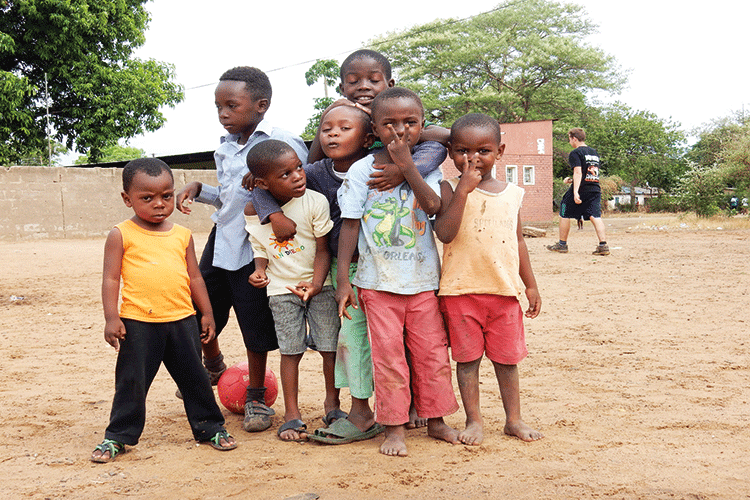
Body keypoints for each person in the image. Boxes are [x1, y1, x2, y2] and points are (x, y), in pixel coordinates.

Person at [175, 67, 308, 433]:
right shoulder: (225, 147)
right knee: (201, 309)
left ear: (261, 106)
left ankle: (255, 395)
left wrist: (264, 192)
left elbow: (298, 187)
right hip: (223, 238)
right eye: (218, 106)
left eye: (231, 105)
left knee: (254, 324)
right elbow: (231, 198)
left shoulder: (284, 142)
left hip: (258, 244)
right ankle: (214, 363)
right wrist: (200, 188)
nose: (223, 113)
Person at [336, 87, 459, 457]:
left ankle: (436, 420)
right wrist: (344, 279)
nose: (400, 131)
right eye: (389, 124)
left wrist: (407, 167)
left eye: (410, 123)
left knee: (431, 354)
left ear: (423, 126)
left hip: (422, 282)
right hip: (377, 283)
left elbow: (434, 206)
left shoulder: (430, 168)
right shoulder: (362, 170)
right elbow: (350, 224)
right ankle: (394, 427)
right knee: (388, 358)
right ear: (374, 129)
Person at [91, 159, 236, 463]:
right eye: (147, 198)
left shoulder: (182, 235)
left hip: (182, 319)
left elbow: (195, 276)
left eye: (166, 196)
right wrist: (111, 317)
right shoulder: (121, 234)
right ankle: (118, 436)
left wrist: (206, 314)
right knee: (132, 381)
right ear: (127, 199)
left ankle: (211, 428)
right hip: (139, 321)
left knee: (195, 378)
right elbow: (110, 278)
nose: (159, 204)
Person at [434, 113, 543, 445]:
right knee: (467, 362)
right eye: (462, 151)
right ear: (450, 152)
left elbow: (519, 239)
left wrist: (531, 284)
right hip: (460, 291)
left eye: (483, 150)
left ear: (500, 151)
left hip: (503, 292)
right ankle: (474, 421)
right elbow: (445, 233)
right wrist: (463, 192)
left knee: (507, 361)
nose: (472, 159)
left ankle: (514, 419)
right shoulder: (448, 187)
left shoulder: (513, 193)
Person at [244, 140, 340, 442]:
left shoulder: (314, 202)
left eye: (298, 167)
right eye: (285, 174)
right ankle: (292, 414)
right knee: (290, 351)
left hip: (320, 286)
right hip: (281, 289)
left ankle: (332, 406)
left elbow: (324, 250)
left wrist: (315, 283)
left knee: (329, 347)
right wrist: (259, 271)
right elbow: (260, 247)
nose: (298, 176)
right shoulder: (253, 210)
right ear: (262, 183)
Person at [547, 128, 609, 255]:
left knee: (564, 209)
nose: (570, 142)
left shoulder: (576, 153)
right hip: (594, 188)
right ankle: (603, 245)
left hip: (581, 190)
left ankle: (562, 244)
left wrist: (575, 192)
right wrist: (572, 180)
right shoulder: (594, 153)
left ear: (574, 138)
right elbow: (589, 173)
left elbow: (578, 172)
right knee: (595, 216)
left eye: (569, 139)